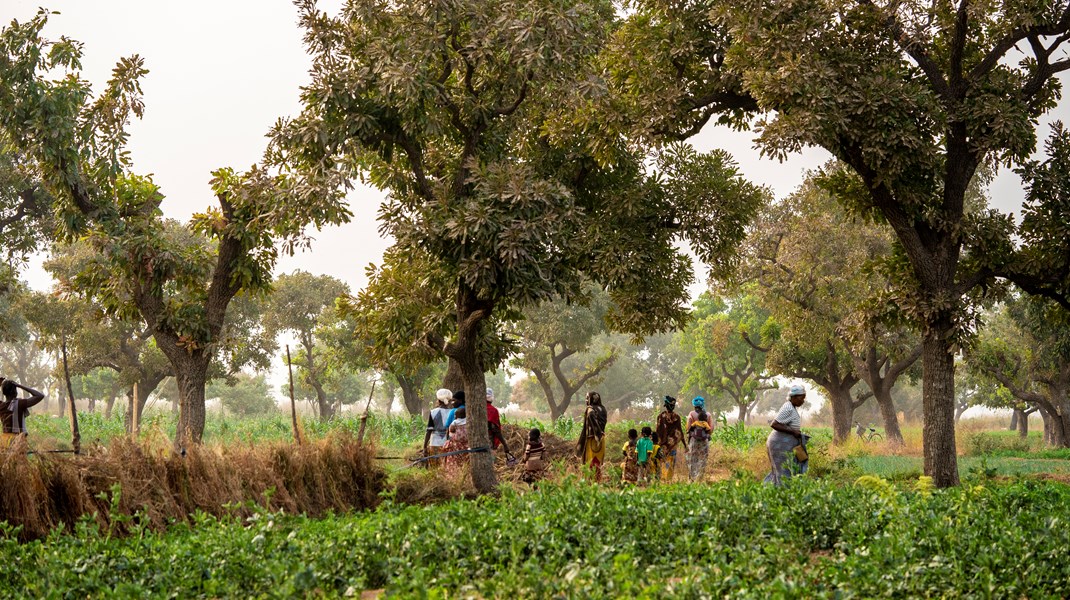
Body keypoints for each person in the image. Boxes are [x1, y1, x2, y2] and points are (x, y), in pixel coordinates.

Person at [764, 384, 809, 486]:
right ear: (793, 397)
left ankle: (777, 490)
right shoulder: (788, 407)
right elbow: (774, 424)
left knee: (786, 470)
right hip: (779, 445)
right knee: (784, 471)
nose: (803, 401)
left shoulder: (792, 407)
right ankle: (781, 492)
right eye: (801, 398)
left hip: (785, 445)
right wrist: (793, 432)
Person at [0, 377, 45, 446]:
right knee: (18, 456)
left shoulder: (1, 405)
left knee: (6, 456)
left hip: (5, 439)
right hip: (18, 440)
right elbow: (39, 396)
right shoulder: (20, 404)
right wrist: (20, 386)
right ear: (14, 392)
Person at [576, 391, 608, 481]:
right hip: (602, 439)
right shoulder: (603, 408)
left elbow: (591, 416)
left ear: (591, 399)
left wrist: (596, 434)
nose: (586, 400)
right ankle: (597, 480)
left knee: (590, 461)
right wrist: (599, 435)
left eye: (587, 398)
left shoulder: (590, 409)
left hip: (592, 439)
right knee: (598, 461)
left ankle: (590, 481)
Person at [656, 396, 686, 482]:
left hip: (662, 444)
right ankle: (668, 479)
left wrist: (656, 444)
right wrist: (684, 445)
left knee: (663, 461)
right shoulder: (677, 417)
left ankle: (663, 479)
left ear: (665, 405)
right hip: (673, 445)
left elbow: (658, 431)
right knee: (670, 462)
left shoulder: (661, 416)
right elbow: (680, 432)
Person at [423, 388, 452, 466]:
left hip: (434, 442)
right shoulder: (452, 412)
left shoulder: (433, 412)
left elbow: (429, 430)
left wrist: (424, 447)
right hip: (448, 443)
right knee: (445, 466)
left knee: (434, 466)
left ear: (438, 400)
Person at [687, 397, 713, 481]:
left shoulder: (691, 414)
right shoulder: (708, 415)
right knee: (703, 458)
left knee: (693, 458)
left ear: (694, 405)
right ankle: (700, 477)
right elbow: (711, 429)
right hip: (704, 441)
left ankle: (692, 478)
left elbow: (688, 428)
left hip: (693, 440)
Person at [484, 387, 513, 460]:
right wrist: (505, 444)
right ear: (491, 398)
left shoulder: (476, 408)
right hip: (488, 439)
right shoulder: (493, 411)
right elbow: (495, 429)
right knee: (489, 461)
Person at [443, 406, 469, 471]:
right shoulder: (469, 422)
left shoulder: (454, 423)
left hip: (456, 446)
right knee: (466, 461)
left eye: (455, 414)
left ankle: (453, 474)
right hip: (467, 446)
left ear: (458, 415)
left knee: (454, 461)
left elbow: (450, 434)